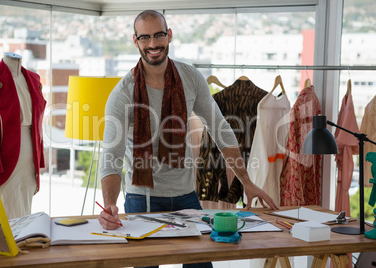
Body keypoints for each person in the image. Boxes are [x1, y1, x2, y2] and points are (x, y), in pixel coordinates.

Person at [98, 10, 278, 266]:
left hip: (185, 195)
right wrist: (109, 206)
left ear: (169, 35)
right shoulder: (122, 93)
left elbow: (221, 130)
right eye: (145, 38)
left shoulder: (190, 78)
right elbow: (111, 157)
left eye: (159, 35)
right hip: (142, 198)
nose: (152, 44)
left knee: (201, 264)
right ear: (135, 40)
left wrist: (246, 182)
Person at [0, 52, 46, 219]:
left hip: (30, 155)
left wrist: (39, 159)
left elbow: (37, 123)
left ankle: (22, 244)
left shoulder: (33, 78)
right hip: (5, 156)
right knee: (5, 212)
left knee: (24, 212)